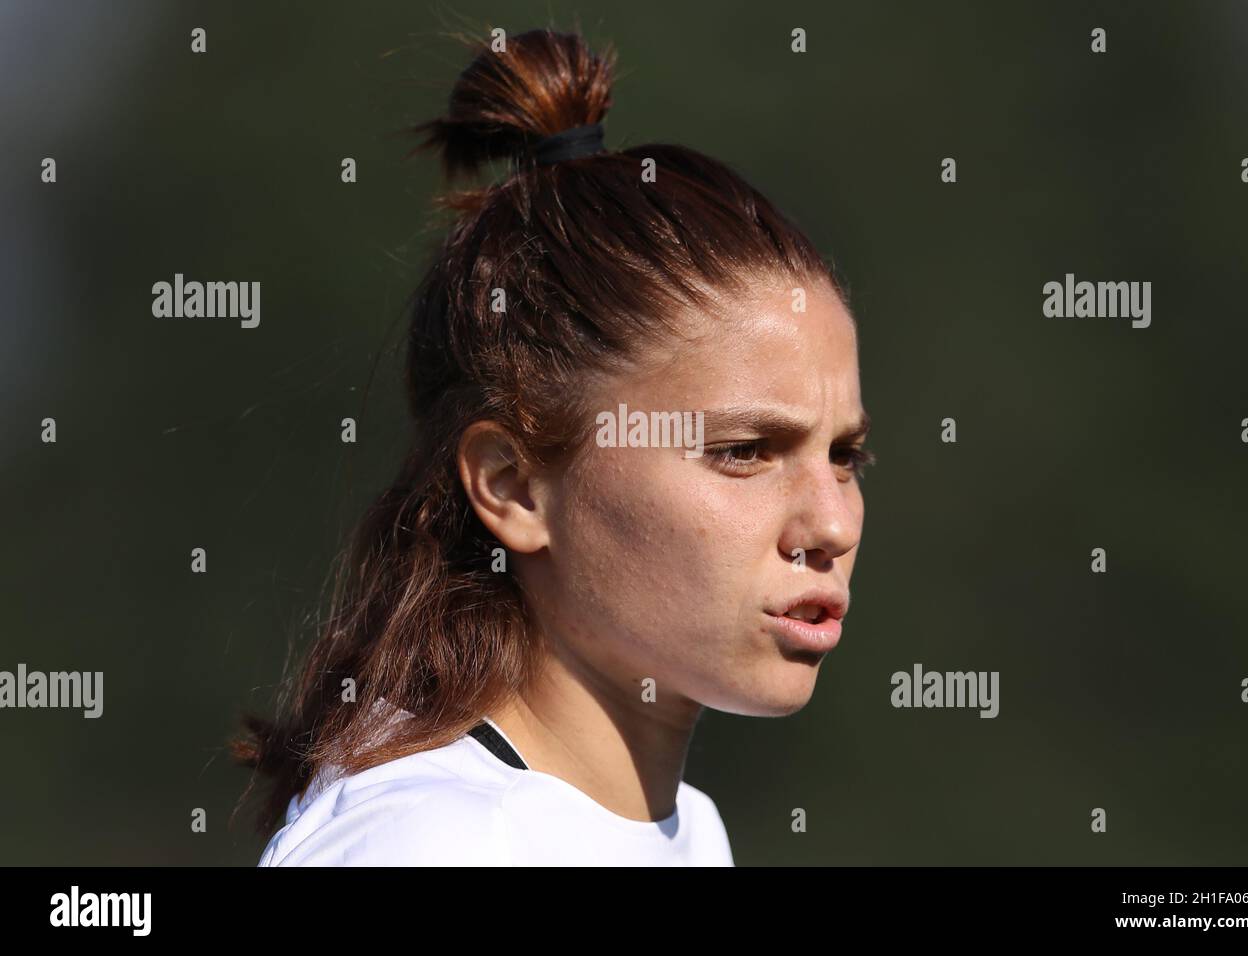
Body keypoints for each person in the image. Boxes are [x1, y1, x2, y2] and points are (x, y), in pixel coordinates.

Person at [232, 26, 872, 866]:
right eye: (745, 450)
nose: (831, 523)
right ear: (515, 486)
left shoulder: (686, 830)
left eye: (844, 456)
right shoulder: (431, 846)